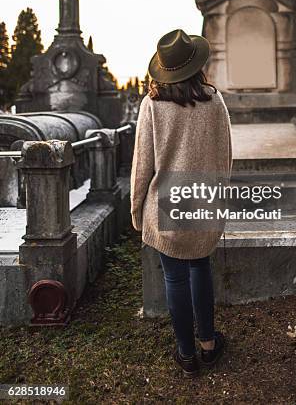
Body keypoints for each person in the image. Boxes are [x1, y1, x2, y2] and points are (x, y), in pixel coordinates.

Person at [130, 28, 232, 377]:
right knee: (199, 267)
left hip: (165, 203)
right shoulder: (214, 100)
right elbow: (225, 157)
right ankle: (207, 344)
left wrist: (136, 211)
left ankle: (186, 354)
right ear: (196, 64)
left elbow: (142, 164)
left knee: (174, 277)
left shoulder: (152, 105)